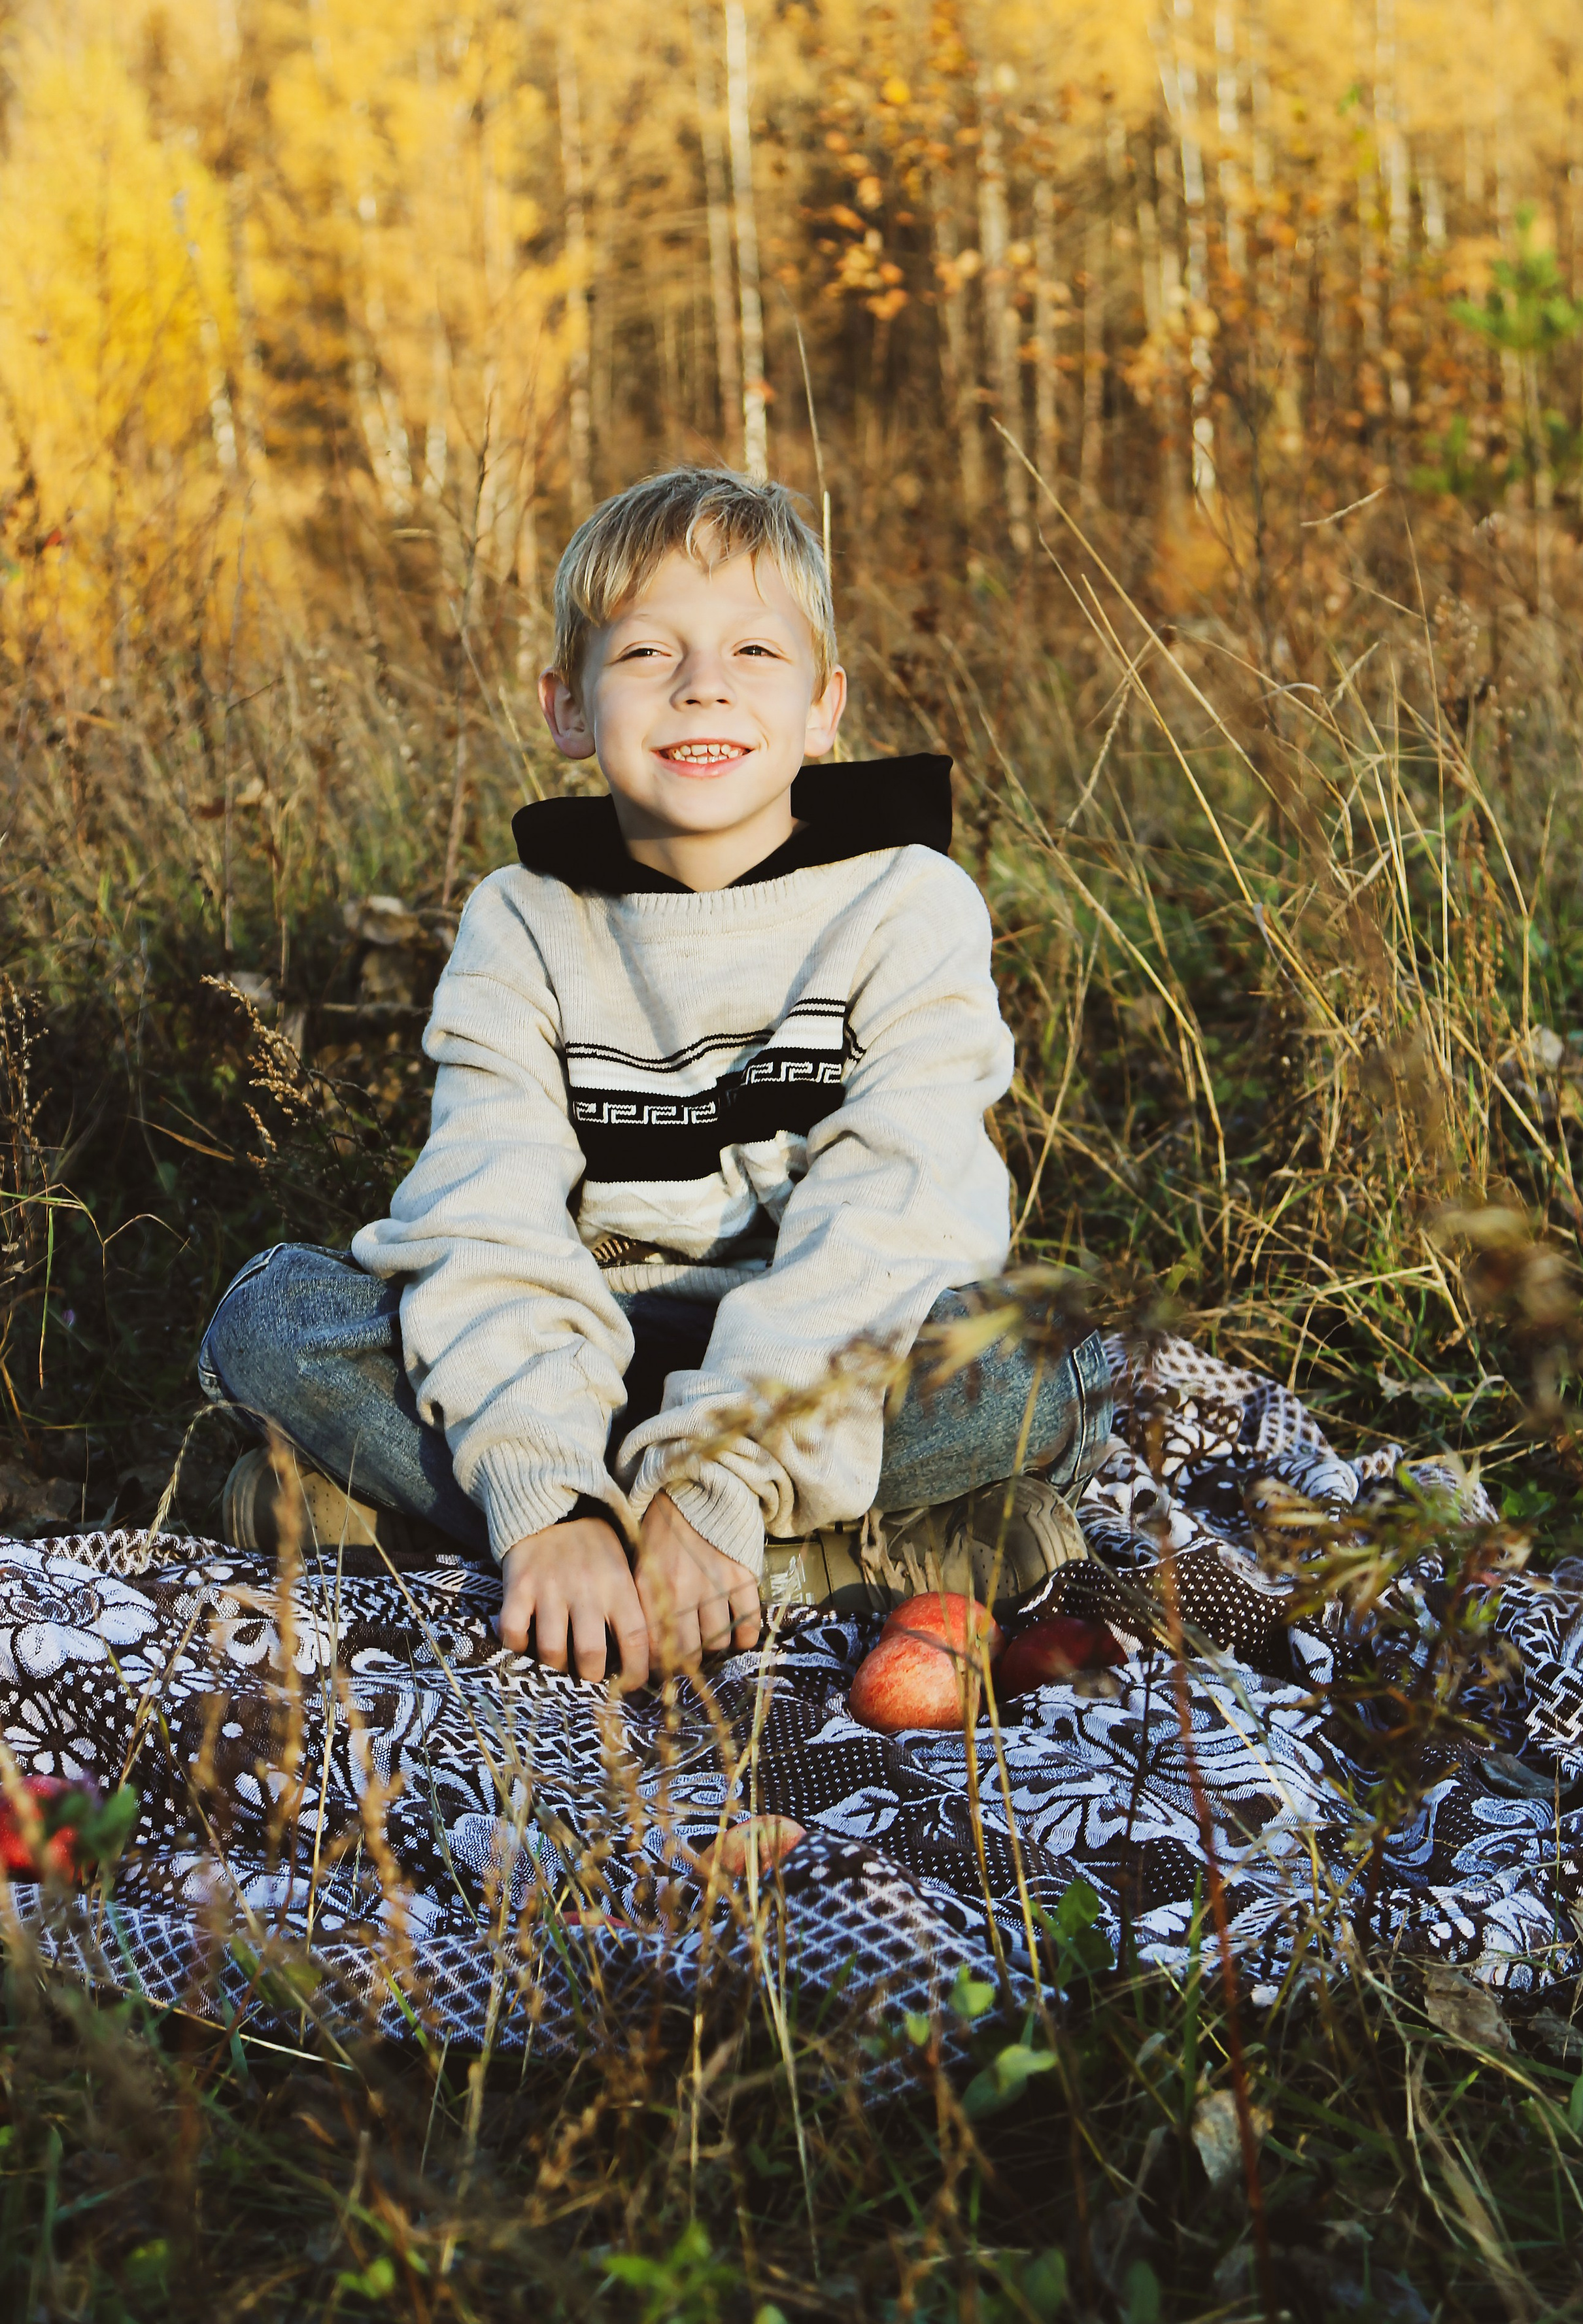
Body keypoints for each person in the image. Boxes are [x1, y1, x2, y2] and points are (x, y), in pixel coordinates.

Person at [197, 467, 1112, 1690]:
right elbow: (487, 1212)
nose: (703, 681)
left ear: (825, 708)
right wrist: (543, 1491)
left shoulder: (907, 899)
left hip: (829, 1356)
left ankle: (479, 1534)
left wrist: (724, 1467)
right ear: (567, 707)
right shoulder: (523, 918)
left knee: (1038, 1361)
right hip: (591, 1350)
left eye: (751, 647)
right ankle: (761, 1557)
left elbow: (895, 1214)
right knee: (274, 1320)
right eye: (646, 654)